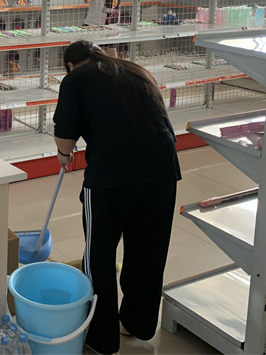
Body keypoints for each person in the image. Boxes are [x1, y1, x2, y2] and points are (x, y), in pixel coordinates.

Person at [53, 40, 181, 355]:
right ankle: (138, 324)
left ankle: (101, 339)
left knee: (99, 255)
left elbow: (65, 136)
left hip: (110, 176)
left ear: (70, 65)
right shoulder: (135, 71)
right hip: (162, 171)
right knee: (148, 252)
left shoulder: (75, 79)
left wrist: (63, 155)